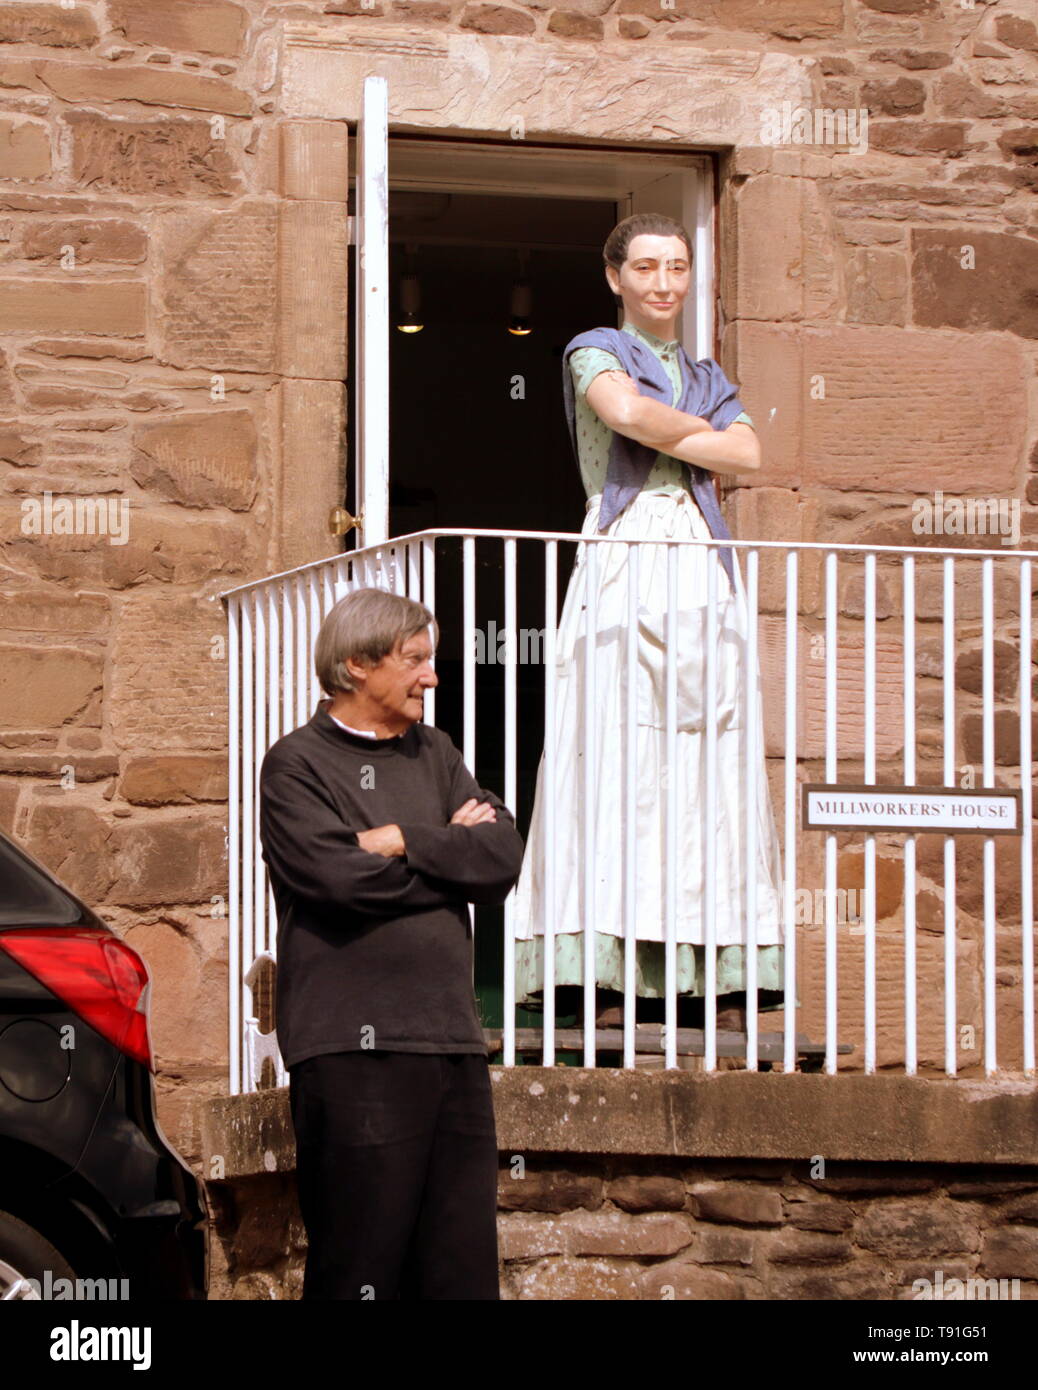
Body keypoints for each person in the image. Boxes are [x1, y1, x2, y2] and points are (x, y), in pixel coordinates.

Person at [512, 212, 784, 1036]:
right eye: (647, 268)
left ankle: (713, 969)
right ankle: (596, 966)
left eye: (677, 266)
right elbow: (623, 414)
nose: (664, 282)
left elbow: (753, 457)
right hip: (626, 553)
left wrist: (689, 432)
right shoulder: (590, 346)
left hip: (703, 563)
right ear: (615, 276)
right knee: (611, 754)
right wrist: (707, 437)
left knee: (707, 761)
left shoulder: (706, 373)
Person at [259, 587, 523, 1300]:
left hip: (451, 1045)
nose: (431, 677)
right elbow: (338, 883)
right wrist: (447, 857)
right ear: (355, 666)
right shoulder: (295, 766)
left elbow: (500, 858)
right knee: (361, 1268)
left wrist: (404, 839)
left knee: (459, 1272)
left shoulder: (436, 752)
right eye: (414, 661)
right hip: (352, 1052)